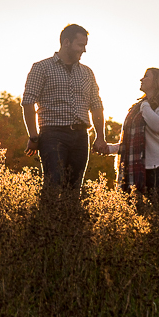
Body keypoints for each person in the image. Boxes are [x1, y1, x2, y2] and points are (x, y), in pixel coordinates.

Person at [21, 24, 106, 198]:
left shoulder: (87, 73)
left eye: (85, 46)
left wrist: (100, 136)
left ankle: (70, 224)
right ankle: (45, 224)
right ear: (66, 42)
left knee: (74, 189)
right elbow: (28, 103)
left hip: (81, 136)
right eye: (80, 45)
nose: (83, 50)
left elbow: (96, 105)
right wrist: (33, 136)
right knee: (54, 183)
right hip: (53, 134)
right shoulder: (41, 68)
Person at [101, 68, 159, 203]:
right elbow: (130, 144)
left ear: (157, 82)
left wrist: (145, 106)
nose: (141, 79)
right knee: (142, 216)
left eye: (146, 76)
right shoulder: (138, 108)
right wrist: (109, 149)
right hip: (143, 168)